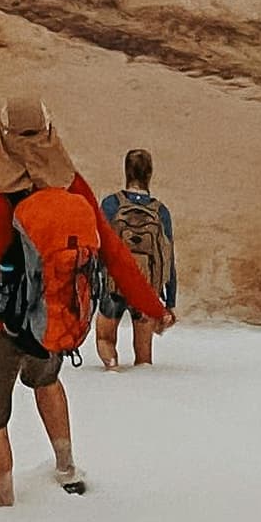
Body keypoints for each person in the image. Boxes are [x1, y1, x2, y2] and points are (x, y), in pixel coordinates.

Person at [0, 94, 167, 506]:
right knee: (47, 382)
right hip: (49, 317)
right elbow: (114, 254)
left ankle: (6, 507)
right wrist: (155, 308)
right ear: (50, 134)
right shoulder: (71, 187)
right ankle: (67, 467)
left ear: (1, 138)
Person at [93, 147, 178, 368]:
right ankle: (142, 389)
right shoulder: (161, 212)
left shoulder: (111, 204)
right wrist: (169, 302)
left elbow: (99, 247)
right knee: (144, 357)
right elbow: (169, 259)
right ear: (150, 174)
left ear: (126, 172)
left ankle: (112, 370)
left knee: (105, 338)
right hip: (146, 288)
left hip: (114, 286)